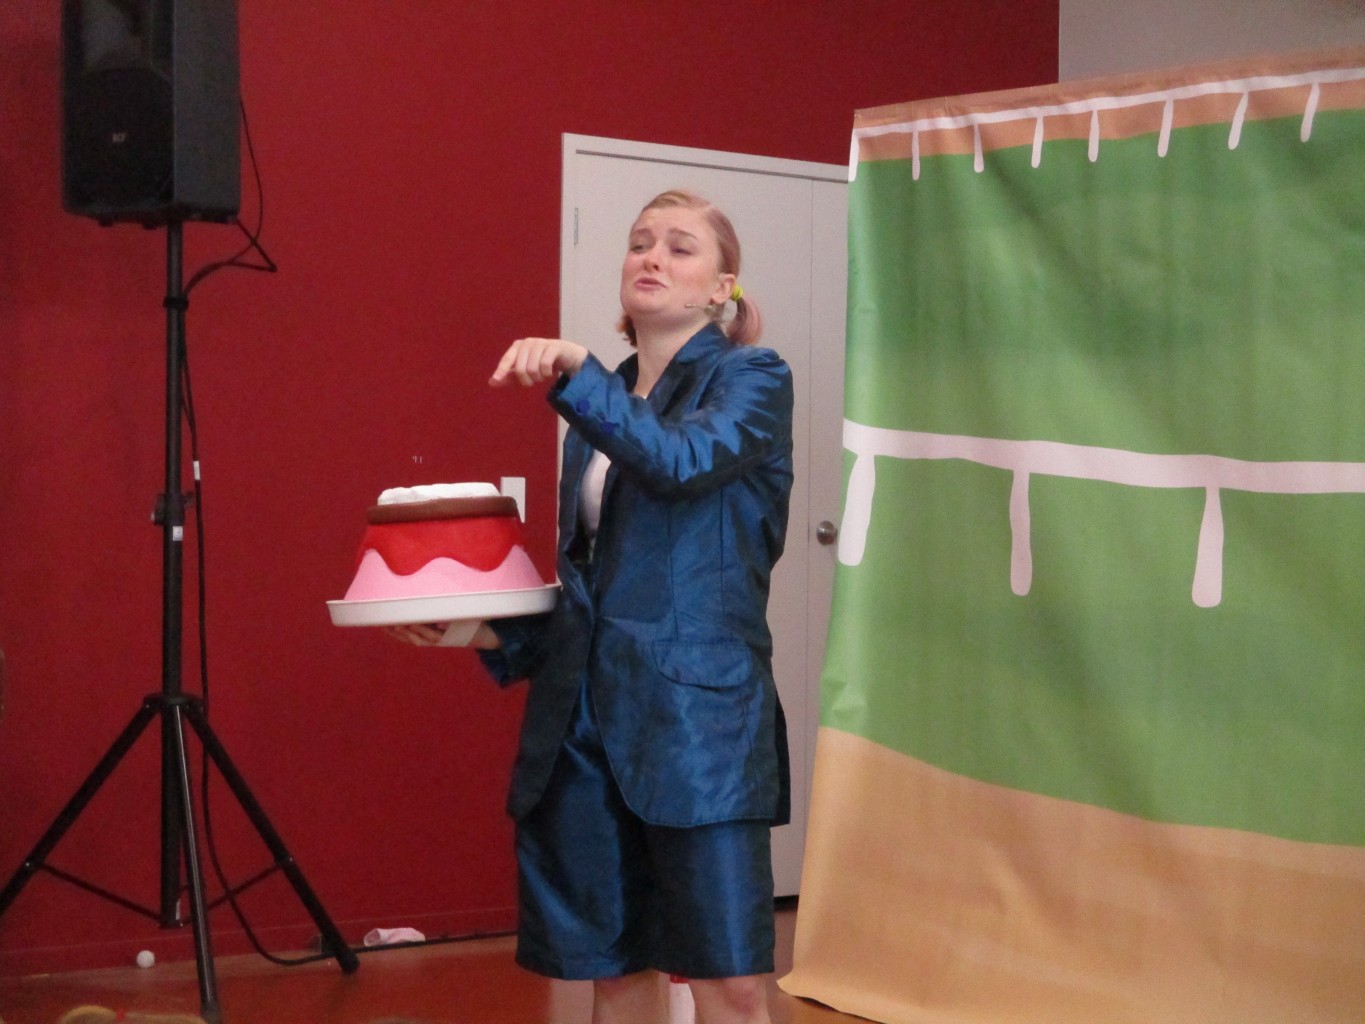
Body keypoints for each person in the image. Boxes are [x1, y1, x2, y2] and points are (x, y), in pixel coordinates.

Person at [391, 189, 793, 1024]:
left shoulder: (751, 378)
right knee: (613, 971)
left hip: (696, 729)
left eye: (680, 246)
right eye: (640, 241)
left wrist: (581, 374)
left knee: (729, 979)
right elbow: (592, 591)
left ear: (722, 289)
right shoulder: (595, 418)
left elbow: (682, 463)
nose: (652, 256)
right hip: (583, 728)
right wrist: (478, 628)